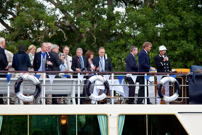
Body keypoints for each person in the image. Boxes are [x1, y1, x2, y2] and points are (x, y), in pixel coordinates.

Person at [0, 37, 8, 104]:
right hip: (1, 71)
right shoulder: (1, 50)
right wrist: (6, 65)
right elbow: (2, 57)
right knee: (1, 86)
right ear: (2, 42)